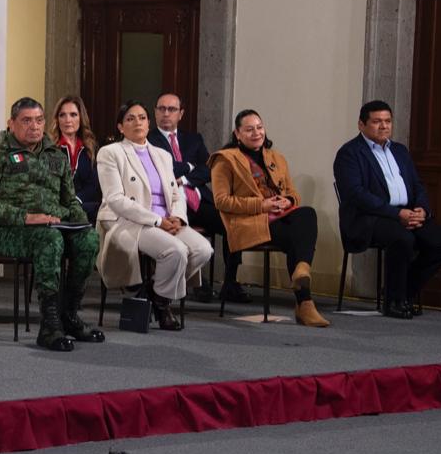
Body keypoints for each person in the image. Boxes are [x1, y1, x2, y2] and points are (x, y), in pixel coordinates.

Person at [0, 97, 104, 351]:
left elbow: (68, 199)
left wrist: (80, 223)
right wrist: (25, 217)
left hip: (53, 226)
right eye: (27, 121)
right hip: (6, 231)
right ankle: (49, 325)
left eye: (39, 120)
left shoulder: (55, 155)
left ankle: (69, 314)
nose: (35, 126)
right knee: (49, 240)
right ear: (11, 124)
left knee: (89, 240)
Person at [333, 100, 441, 319]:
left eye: (388, 121)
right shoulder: (349, 153)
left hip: (406, 214)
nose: (384, 126)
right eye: (377, 122)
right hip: (369, 218)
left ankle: (402, 292)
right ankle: (394, 302)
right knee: (402, 238)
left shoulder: (400, 150)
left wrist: (422, 210)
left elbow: (417, 185)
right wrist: (396, 214)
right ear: (361, 124)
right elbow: (356, 195)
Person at [96, 101, 214, 330]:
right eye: (130, 119)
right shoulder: (111, 153)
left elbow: (176, 193)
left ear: (149, 123)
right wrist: (158, 221)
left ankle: (155, 294)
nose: (137, 123)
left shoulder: (162, 155)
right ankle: (164, 306)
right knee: (175, 251)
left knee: (202, 250)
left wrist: (178, 217)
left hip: (168, 219)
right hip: (130, 220)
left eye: (142, 118)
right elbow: (115, 199)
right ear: (120, 127)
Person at [208, 109, 330, 328]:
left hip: (280, 215)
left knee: (307, 214)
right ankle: (305, 302)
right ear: (237, 134)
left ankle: (302, 272)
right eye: (249, 129)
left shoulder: (276, 158)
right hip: (249, 222)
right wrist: (261, 205)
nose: (256, 133)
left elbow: (293, 192)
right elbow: (221, 201)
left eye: (259, 127)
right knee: (296, 238)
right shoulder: (224, 160)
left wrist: (287, 201)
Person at [148, 92, 250, 303]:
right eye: (161, 109)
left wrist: (185, 178)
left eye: (171, 109)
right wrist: (189, 166)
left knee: (233, 224)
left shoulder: (193, 139)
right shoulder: (149, 140)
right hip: (170, 205)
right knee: (183, 235)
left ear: (181, 114)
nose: (166, 114)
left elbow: (210, 168)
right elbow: (164, 169)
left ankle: (230, 282)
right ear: (155, 112)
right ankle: (197, 283)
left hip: (198, 200)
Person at [49, 96, 102, 225]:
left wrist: (76, 201)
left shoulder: (91, 148)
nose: (68, 120)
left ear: (81, 118)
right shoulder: (49, 149)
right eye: (62, 115)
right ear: (57, 119)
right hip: (58, 209)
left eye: (73, 115)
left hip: (85, 206)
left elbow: (94, 184)